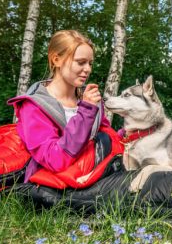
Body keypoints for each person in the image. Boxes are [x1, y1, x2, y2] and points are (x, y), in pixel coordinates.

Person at [7, 30, 115, 183]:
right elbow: (54, 159)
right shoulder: (33, 106)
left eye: (90, 63)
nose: (88, 69)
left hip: (91, 177)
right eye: (81, 62)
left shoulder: (90, 100)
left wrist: (132, 133)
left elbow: (107, 137)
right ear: (56, 60)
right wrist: (86, 111)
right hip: (51, 188)